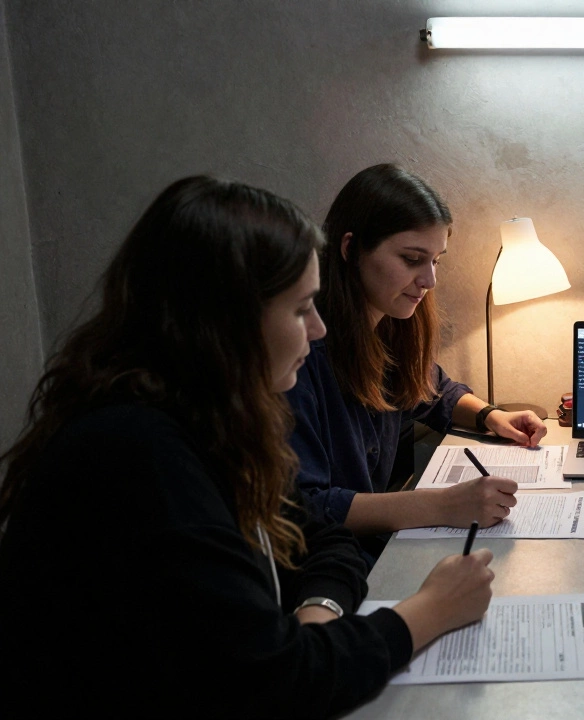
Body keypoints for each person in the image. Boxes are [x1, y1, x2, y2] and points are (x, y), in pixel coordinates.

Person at [0, 177, 495, 718]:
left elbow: (316, 534)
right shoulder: (138, 455)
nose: (320, 328)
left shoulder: (213, 421)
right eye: (302, 307)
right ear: (225, 318)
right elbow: (281, 686)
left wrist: (318, 612)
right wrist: (431, 609)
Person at [286, 164, 547, 560]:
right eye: (412, 259)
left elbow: (433, 391)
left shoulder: (388, 327)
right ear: (350, 248)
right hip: (325, 568)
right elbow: (307, 506)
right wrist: (442, 506)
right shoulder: (300, 358)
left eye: (436, 260)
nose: (430, 280)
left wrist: (491, 416)